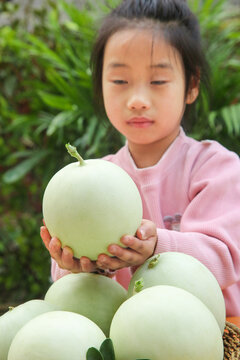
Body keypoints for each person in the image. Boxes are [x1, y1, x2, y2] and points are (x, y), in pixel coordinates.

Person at [40, 0, 240, 316]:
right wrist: (75, 264)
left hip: (217, 336)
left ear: (191, 85)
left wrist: (156, 247)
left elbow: (226, 259)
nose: (136, 101)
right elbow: (74, 292)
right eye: (120, 81)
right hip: (127, 343)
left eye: (158, 81)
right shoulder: (93, 178)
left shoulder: (216, 169)